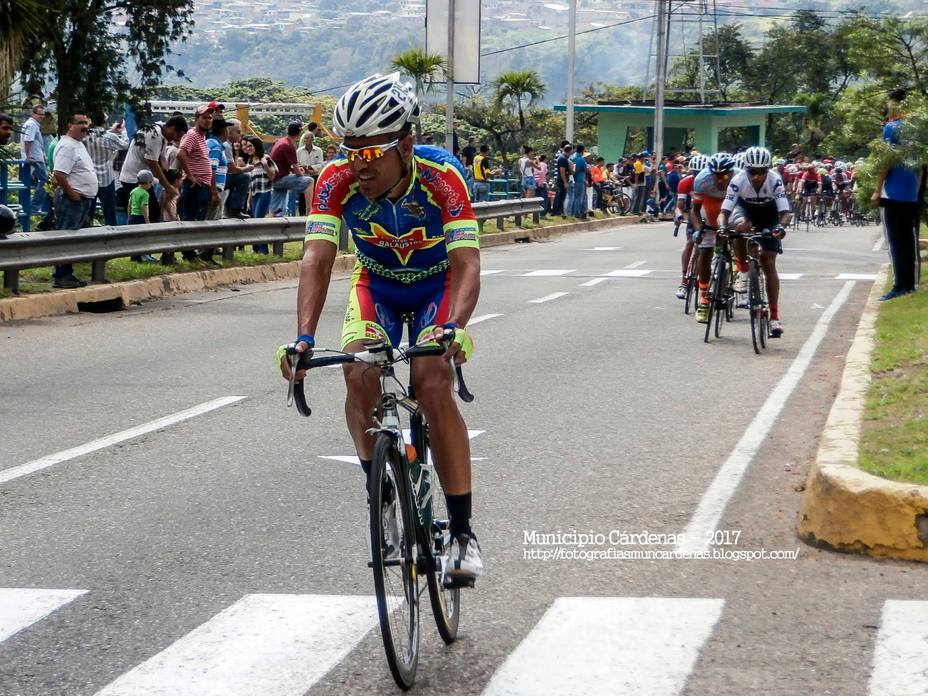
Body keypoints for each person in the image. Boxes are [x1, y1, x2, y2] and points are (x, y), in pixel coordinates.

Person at [279, 72, 484, 586]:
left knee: (432, 383)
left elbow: (467, 263)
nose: (358, 166)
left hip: (437, 285)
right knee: (357, 373)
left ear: (406, 144)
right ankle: (382, 489)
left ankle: (462, 533)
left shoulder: (442, 176)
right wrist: (303, 337)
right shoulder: (335, 179)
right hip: (378, 285)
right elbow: (317, 258)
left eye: (370, 154)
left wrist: (455, 327)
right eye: (349, 151)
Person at [719, 146, 792, 337]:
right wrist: (722, 228)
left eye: (762, 172)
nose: (757, 177)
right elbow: (724, 212)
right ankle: (743, 270)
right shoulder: (738, 180)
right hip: (746, 211)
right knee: (740, 227)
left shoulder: (775, 180)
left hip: (769, 214)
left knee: (768, 262)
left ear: (768, 169)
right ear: (746, 169)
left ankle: (774, 317)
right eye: (753, 172)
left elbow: (785, 213)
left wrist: (781, 227)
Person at [871, 89, 924, 301]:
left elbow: (885, 163)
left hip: (892, 195)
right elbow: (920, 168)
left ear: (895, 104)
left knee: (895, 244)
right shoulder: (917, 130)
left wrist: (877, 189)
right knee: (908, 242)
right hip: (911, 195)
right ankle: (910, 284)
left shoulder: (891, 128)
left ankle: (899, 285)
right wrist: (916, 190)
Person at [51, 114, 98, 288]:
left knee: (72, 239)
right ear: (70, 125)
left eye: (86, 123)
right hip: (72, 200)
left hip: (82, 199)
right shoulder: (67, 146)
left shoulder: (78, 145)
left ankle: (67, 274)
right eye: (80, 123)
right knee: (66, 237)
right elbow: (59, 173)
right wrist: (73, 195)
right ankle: (61, 276)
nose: (85, 126)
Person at [690, 152, 737, 324]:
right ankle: (703, 299)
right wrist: (698, 230)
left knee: (738, 231)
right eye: (715, 175)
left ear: (731, 172)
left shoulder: (740, 178)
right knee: (705, 249)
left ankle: (737, 272)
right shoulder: (702, 179)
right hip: (709, 205)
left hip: (731, 205)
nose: (719, 180)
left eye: (723, 175)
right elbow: (695, 210)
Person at [176, 104, 215, 263]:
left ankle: (192, 254)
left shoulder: (202, 137)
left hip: (203, 186)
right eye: (204, 117)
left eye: (210, 118)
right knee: (190, 220)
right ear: (196, 119)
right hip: (194, 186)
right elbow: (180, 154)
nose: (208, 120)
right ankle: (189, 254)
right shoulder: (192, 135)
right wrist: (191, 176)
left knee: (196, 220)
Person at [84, 115, 129, 226]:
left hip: (89, 178)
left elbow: (96, 136)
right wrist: (123, 131)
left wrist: (111, 130)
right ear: (104, 122)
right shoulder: (110, 137)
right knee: (109, 213)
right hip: (106, 178)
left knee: (88, 213)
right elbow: (125, 145)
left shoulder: (85, 136)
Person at [674, 154, 707, 300]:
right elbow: (679, 206)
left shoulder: (712, 182)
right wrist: (679, 216)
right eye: (694, 173)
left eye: (701, 173)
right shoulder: (685, 182)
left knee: (707, 248)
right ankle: (684, 279)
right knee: (690, 242)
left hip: (710, 213)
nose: (697, 176)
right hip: (694, 214)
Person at [269, 121, 312, 216]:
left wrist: (296, 170)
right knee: (309, 181)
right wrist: (301, 173)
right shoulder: (288, 145)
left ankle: (272, 218)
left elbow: (286, 165)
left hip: (275, 177)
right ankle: (309, 212)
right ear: (300, 133)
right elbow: (296, 170)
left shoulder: (281, 141)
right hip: (280, 179)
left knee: (278, 210)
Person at [243, 136, 277, 253]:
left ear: (256, 146)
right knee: (255, 221)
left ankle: (263, 250)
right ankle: (258, 249)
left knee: (259, 221)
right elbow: (252, 184)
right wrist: (248, 200)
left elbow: (272, 176)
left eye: (250, 146)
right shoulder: (249, 162)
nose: (248, 148)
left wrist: (265, 165)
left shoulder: (265, 159)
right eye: (247, 146)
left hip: (265, 193)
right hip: (255, 195)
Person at [20, 105, 50, 224]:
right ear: (33, 114)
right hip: (35, 158)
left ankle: (32, 206)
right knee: (45, 180)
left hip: (36, 157)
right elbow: (28, 140)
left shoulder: (31, 124)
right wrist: (28, 156)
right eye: (39, 114)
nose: (42, 116)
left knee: (37, 181)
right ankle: (33, 206)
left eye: (43, 114)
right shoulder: (32, 125)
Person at [127, 170, 158, 263]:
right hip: (140, 217)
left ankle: (134, 257)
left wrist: (129, 216)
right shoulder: (145, 193)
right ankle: (143, 257)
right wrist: (147, 220)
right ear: (148, 182)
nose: (151, 185)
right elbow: (143, 207)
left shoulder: (134, 191)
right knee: (142, 238)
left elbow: (129, 204)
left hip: (133, 216)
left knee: (134, 238)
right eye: (151, 183)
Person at [553, 143, 573, 217]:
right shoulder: (562, 158)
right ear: (569, 151)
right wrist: (565, 182)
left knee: (562, 196)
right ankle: (558, 211)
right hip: (561, 180)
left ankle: (559, 211)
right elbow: (562, 172)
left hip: (564, 179)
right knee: (560, 196)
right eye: (571, 151)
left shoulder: (566, 159)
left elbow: (568, 171)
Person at [569, 144, 588, 219]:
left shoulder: (572, 157)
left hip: (572, 179)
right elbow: (583, 169)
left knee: (573, 197)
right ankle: (577, 213)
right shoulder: (580, 159)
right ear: (582, 150)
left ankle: (572, 212)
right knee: (579, 198)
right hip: (579, 180)